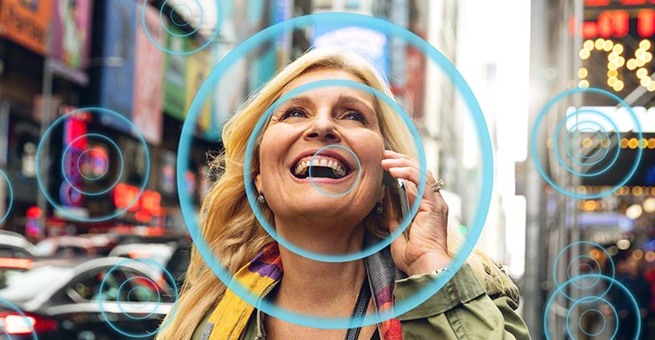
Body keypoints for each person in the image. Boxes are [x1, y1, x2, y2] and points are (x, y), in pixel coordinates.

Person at [157, 49, 530, 339]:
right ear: (258, 179)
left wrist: (430, 267)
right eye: (294, 113)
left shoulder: (473, 294)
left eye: (352, 116)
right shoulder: (199, 323)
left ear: (387, 173)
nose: (322, 126)